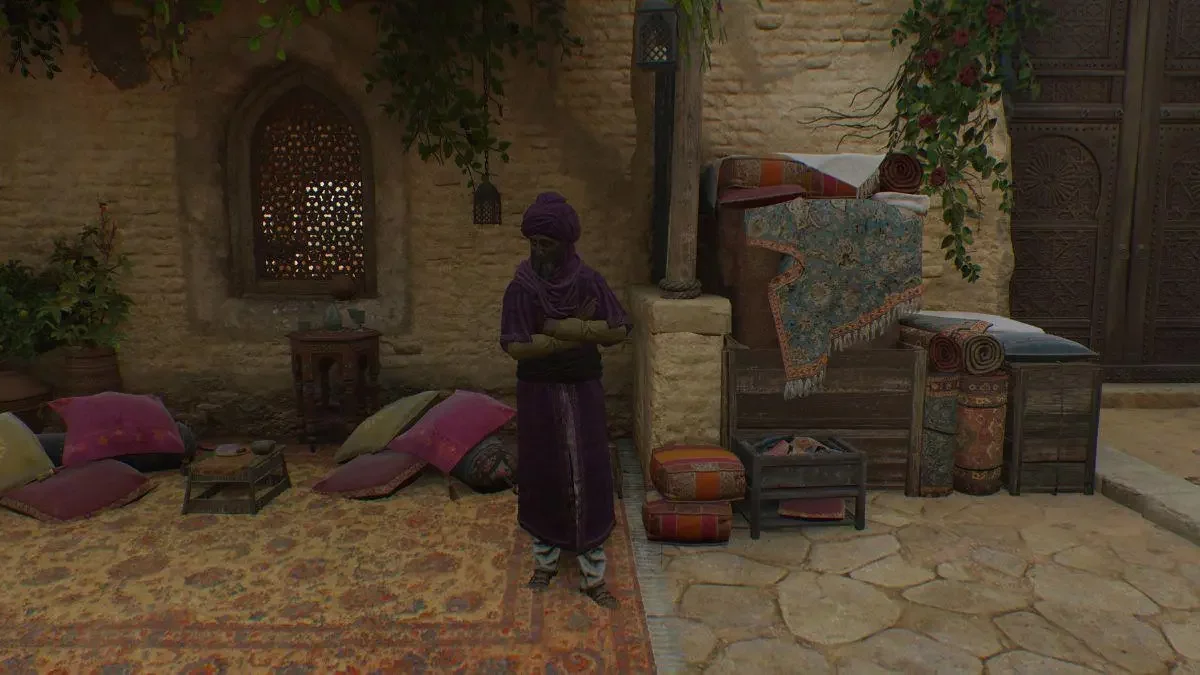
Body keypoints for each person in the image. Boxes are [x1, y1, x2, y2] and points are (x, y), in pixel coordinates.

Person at [499, 192, 632, 609]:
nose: (539, 251)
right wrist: (572, 334)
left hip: (583, 391)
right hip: (537, 394)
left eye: (547, 243)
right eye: (534, 243)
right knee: (543, 473)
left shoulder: (589, 281)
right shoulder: (522, 287)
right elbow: (515, 345)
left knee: (589, 474)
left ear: (566, 243)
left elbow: (619, 328)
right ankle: (546, 560)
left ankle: (593, 573)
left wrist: (563, 329)